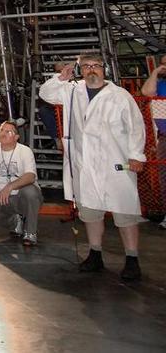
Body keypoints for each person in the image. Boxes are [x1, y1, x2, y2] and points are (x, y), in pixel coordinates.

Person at [40, 53, 146, 281]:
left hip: (116, 163)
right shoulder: (72, 90)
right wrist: (61, 78)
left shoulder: (119, 95)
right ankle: (95, 254)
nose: (91, 70)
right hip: (85, 164)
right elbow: (45, 94)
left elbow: (136, 127)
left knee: (125, 212)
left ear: (103, 69)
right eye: (86, 66)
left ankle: (132, 259)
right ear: (81, 71)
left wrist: (137, 155)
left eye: (95, 65)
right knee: (90, 212)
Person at [0, 121, 43, 246]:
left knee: (30, 191)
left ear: (16, 137)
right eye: (1, 130)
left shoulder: (25, 151)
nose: (3, 133)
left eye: (8, 131)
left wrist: (10, 187)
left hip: (22, 196)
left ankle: (30, 232)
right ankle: (15, 221)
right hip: (2, 197)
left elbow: (30, 176)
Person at [139, 55, 166, 229]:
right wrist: (155, 72)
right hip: (164, 136)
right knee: (164, 177)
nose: (164, 66)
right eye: (162, 63)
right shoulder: (160, 84)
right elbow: (146, 92)